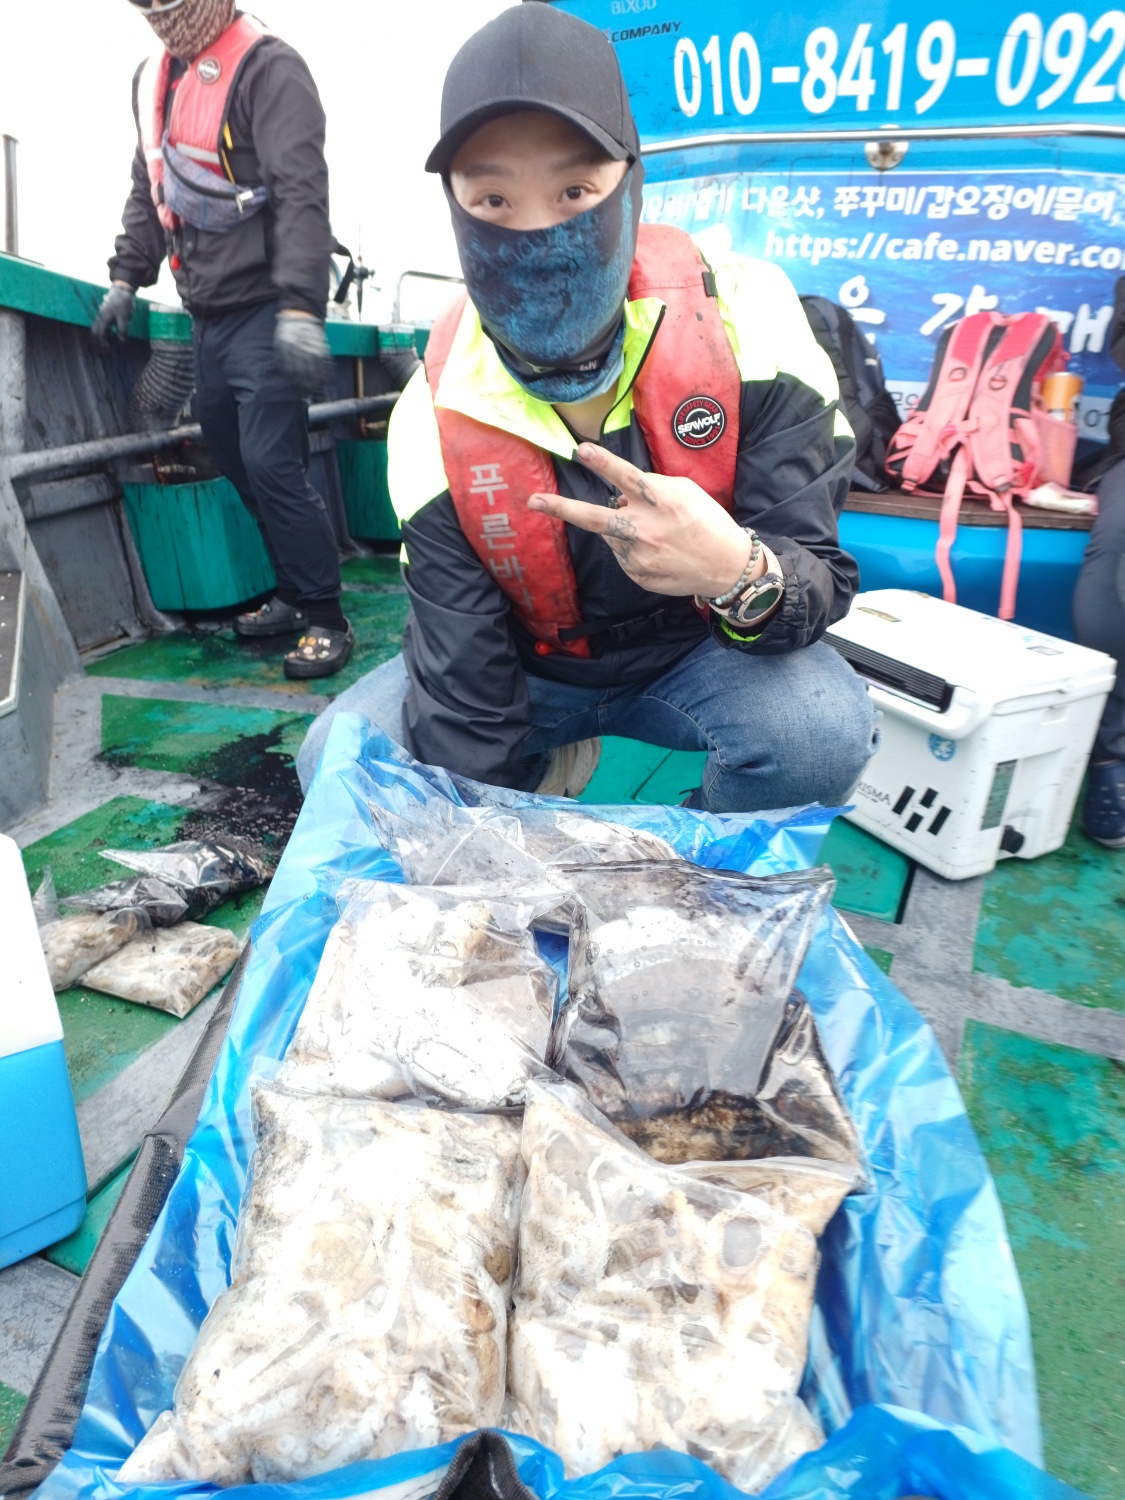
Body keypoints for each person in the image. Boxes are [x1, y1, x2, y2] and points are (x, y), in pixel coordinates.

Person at [297, 3, 876, 806]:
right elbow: (464, 671)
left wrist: (736, 572)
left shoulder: (750, 321)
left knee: (819, 733)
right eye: (492, 201)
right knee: (337, 762)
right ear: (455, 212)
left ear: (629, 186)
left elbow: (814, 570)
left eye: (574, 190)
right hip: (531, 669)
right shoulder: (430, 410)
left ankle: (695, 868)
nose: (536, 239)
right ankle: (548, 769)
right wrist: (485, 833)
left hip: (699, 651)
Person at [92, 0, 353, 679]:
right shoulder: (155, 82)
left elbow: (302, 196)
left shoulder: (271, 71)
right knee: (232, 452)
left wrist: (302, 310)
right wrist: (125, 278)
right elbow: (149, 189)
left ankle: (327, 618)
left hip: (268, 310)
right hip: (206, 317)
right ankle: (293, 593)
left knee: (272, 462)